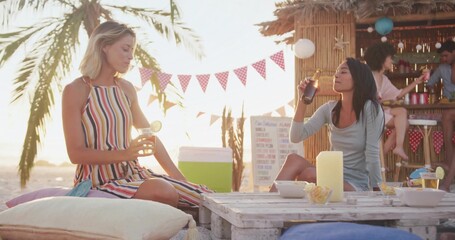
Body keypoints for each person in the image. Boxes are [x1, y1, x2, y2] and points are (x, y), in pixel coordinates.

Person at [62, 21, 213, 208]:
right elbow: (75, 154)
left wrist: (183, 182)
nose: (130, 56)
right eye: (125, 49)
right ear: (104, 46)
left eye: (132, 50)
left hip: (135, 176)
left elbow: (150, 139)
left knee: (206, 195)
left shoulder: (126, 89)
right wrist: (125, 154)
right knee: (163, 191)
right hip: (98, 181)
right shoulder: (76, 90)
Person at [270, 58, 384, 192]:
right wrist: (302, 101)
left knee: (309, 174)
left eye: (343, 72)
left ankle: (298, 207)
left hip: (356, 183)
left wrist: (377, 190)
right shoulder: (329, 109)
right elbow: (295, 137)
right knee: (293, 159)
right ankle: (267, 206)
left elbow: (372, 152)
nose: (336, 75)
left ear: (358, 78)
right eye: (336, 72)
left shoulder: (370, 109)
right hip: (331, 174)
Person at [364, 42, 426, 161]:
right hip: (369, 115)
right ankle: (386, 154)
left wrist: (416, 82)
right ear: (382, 59)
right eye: (390, 58)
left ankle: (386, 153)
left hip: (380, 113)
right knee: (402, 118)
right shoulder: (368, 76)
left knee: (403, 119)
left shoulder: (384, 79)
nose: (392, 61)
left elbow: (398, 94)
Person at [428, 40, 455, 191]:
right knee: (446, 118)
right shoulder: (442, 68)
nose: (443, 59)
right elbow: (429, 84)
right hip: (449, 107)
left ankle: (448, 177)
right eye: (442, 57)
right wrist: (434, 92)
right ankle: (449, 165)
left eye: (446, 56)